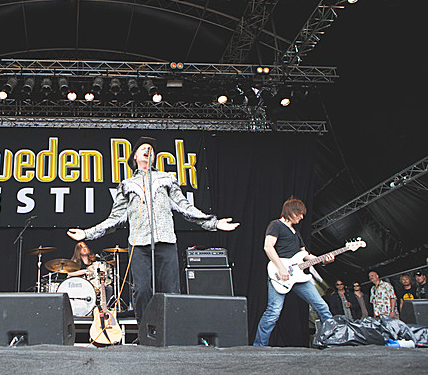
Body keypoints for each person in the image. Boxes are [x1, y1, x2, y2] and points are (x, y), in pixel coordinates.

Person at [66, 136, 239, 324]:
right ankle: (145, 331)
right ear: (135, 158)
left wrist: (213, 223)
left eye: (152, 149)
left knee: (171, 290)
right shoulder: (127, 185)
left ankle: (171, 332)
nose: (149, 150)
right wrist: (87, 233)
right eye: (144, 149)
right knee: (141, 290)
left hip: (165, 241)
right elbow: (114, 219)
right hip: (138, 245)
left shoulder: (166, 179)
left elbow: (185, 207)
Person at [253, 197, 334, 346]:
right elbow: (268, 247)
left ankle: (333, 340)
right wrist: (281, 268)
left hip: (299, 276)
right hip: (280, 274)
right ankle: (259, 347)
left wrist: (323, 259)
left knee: (321, 306)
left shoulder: (296, 232)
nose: (302, 217)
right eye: (300, 213)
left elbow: (305, 254)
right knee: (273, 312)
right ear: (291, 211)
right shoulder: (276, 225)